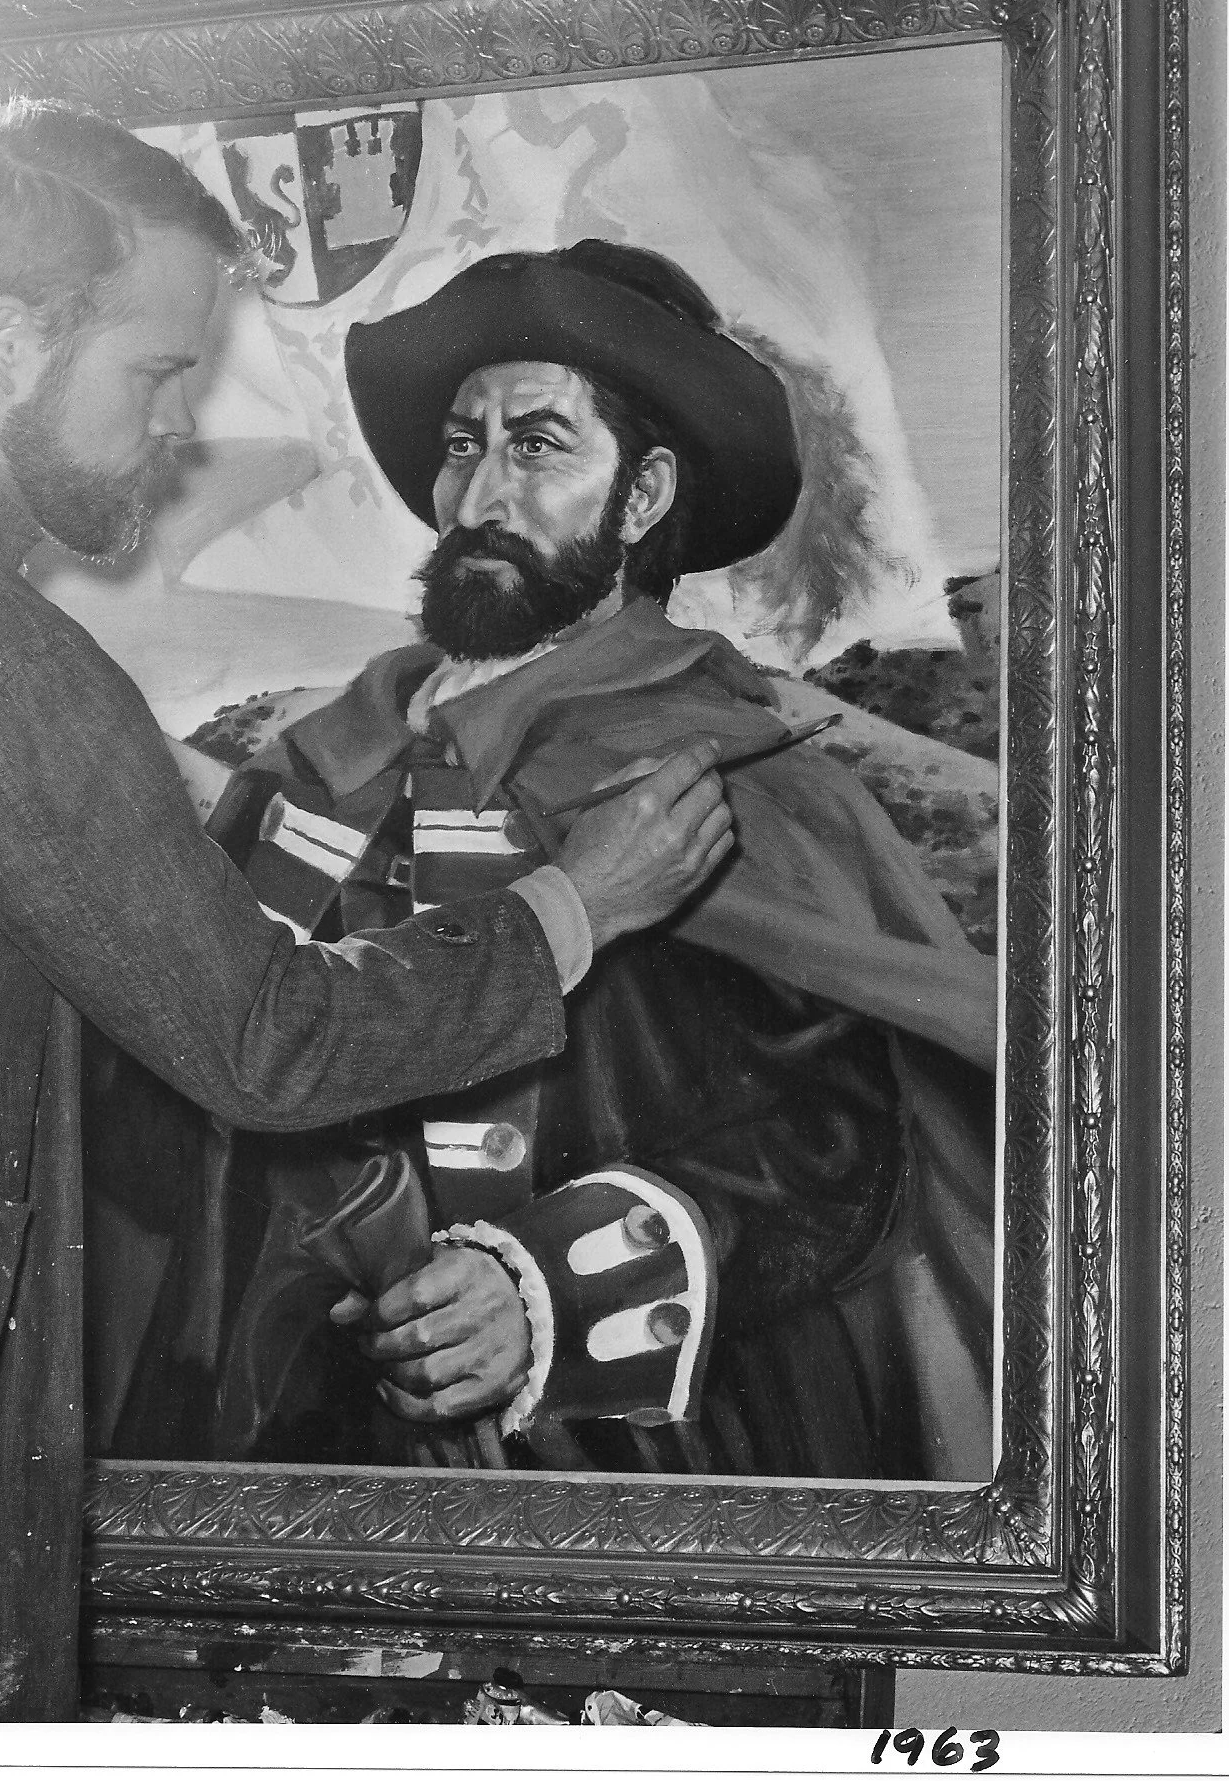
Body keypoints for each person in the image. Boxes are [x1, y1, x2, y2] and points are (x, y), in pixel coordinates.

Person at [0, 108, 736, 1722]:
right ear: (12, 335)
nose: (177, 429)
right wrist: (561, 912)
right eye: (155, 372)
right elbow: (260, 1034)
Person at [93, 241, 997, 1485]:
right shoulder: (307, 769)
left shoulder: (736, 786)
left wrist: (541, 1286)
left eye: (537, 448)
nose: (472, 502)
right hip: (258, 1429)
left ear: (640, 498)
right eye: (464, 444)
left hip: (597, 1461)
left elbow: (837, 1147)